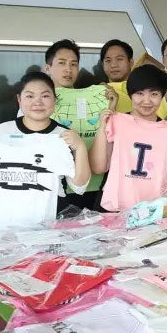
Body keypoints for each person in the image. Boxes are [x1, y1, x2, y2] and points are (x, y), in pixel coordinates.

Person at [0, 72, 91, 224]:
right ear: (19, 99)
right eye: (29, 96)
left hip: (50, 218)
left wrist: (80, 147)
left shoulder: (63, 137)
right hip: (7, 216)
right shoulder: (0, 132)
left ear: (54, 99)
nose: (37, 102)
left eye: (45, 96)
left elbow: (79, 186)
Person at [89, 64, 167, 211]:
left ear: (163, 96)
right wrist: (102, 128)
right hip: (115, 208)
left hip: (152, 210)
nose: (146, 101)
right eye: (139, 93)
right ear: (130, 95)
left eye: (154, 94)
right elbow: (97, 168)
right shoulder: (118, 122)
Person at [44, 39, 117, 210]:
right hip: (58, 187)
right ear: (48, 68)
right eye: (61, 63)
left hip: (96, 184)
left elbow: (109, 137)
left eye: (73, 64)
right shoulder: (37, 104)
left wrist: (111, 106)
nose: (68, 69)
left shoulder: (98, 95)